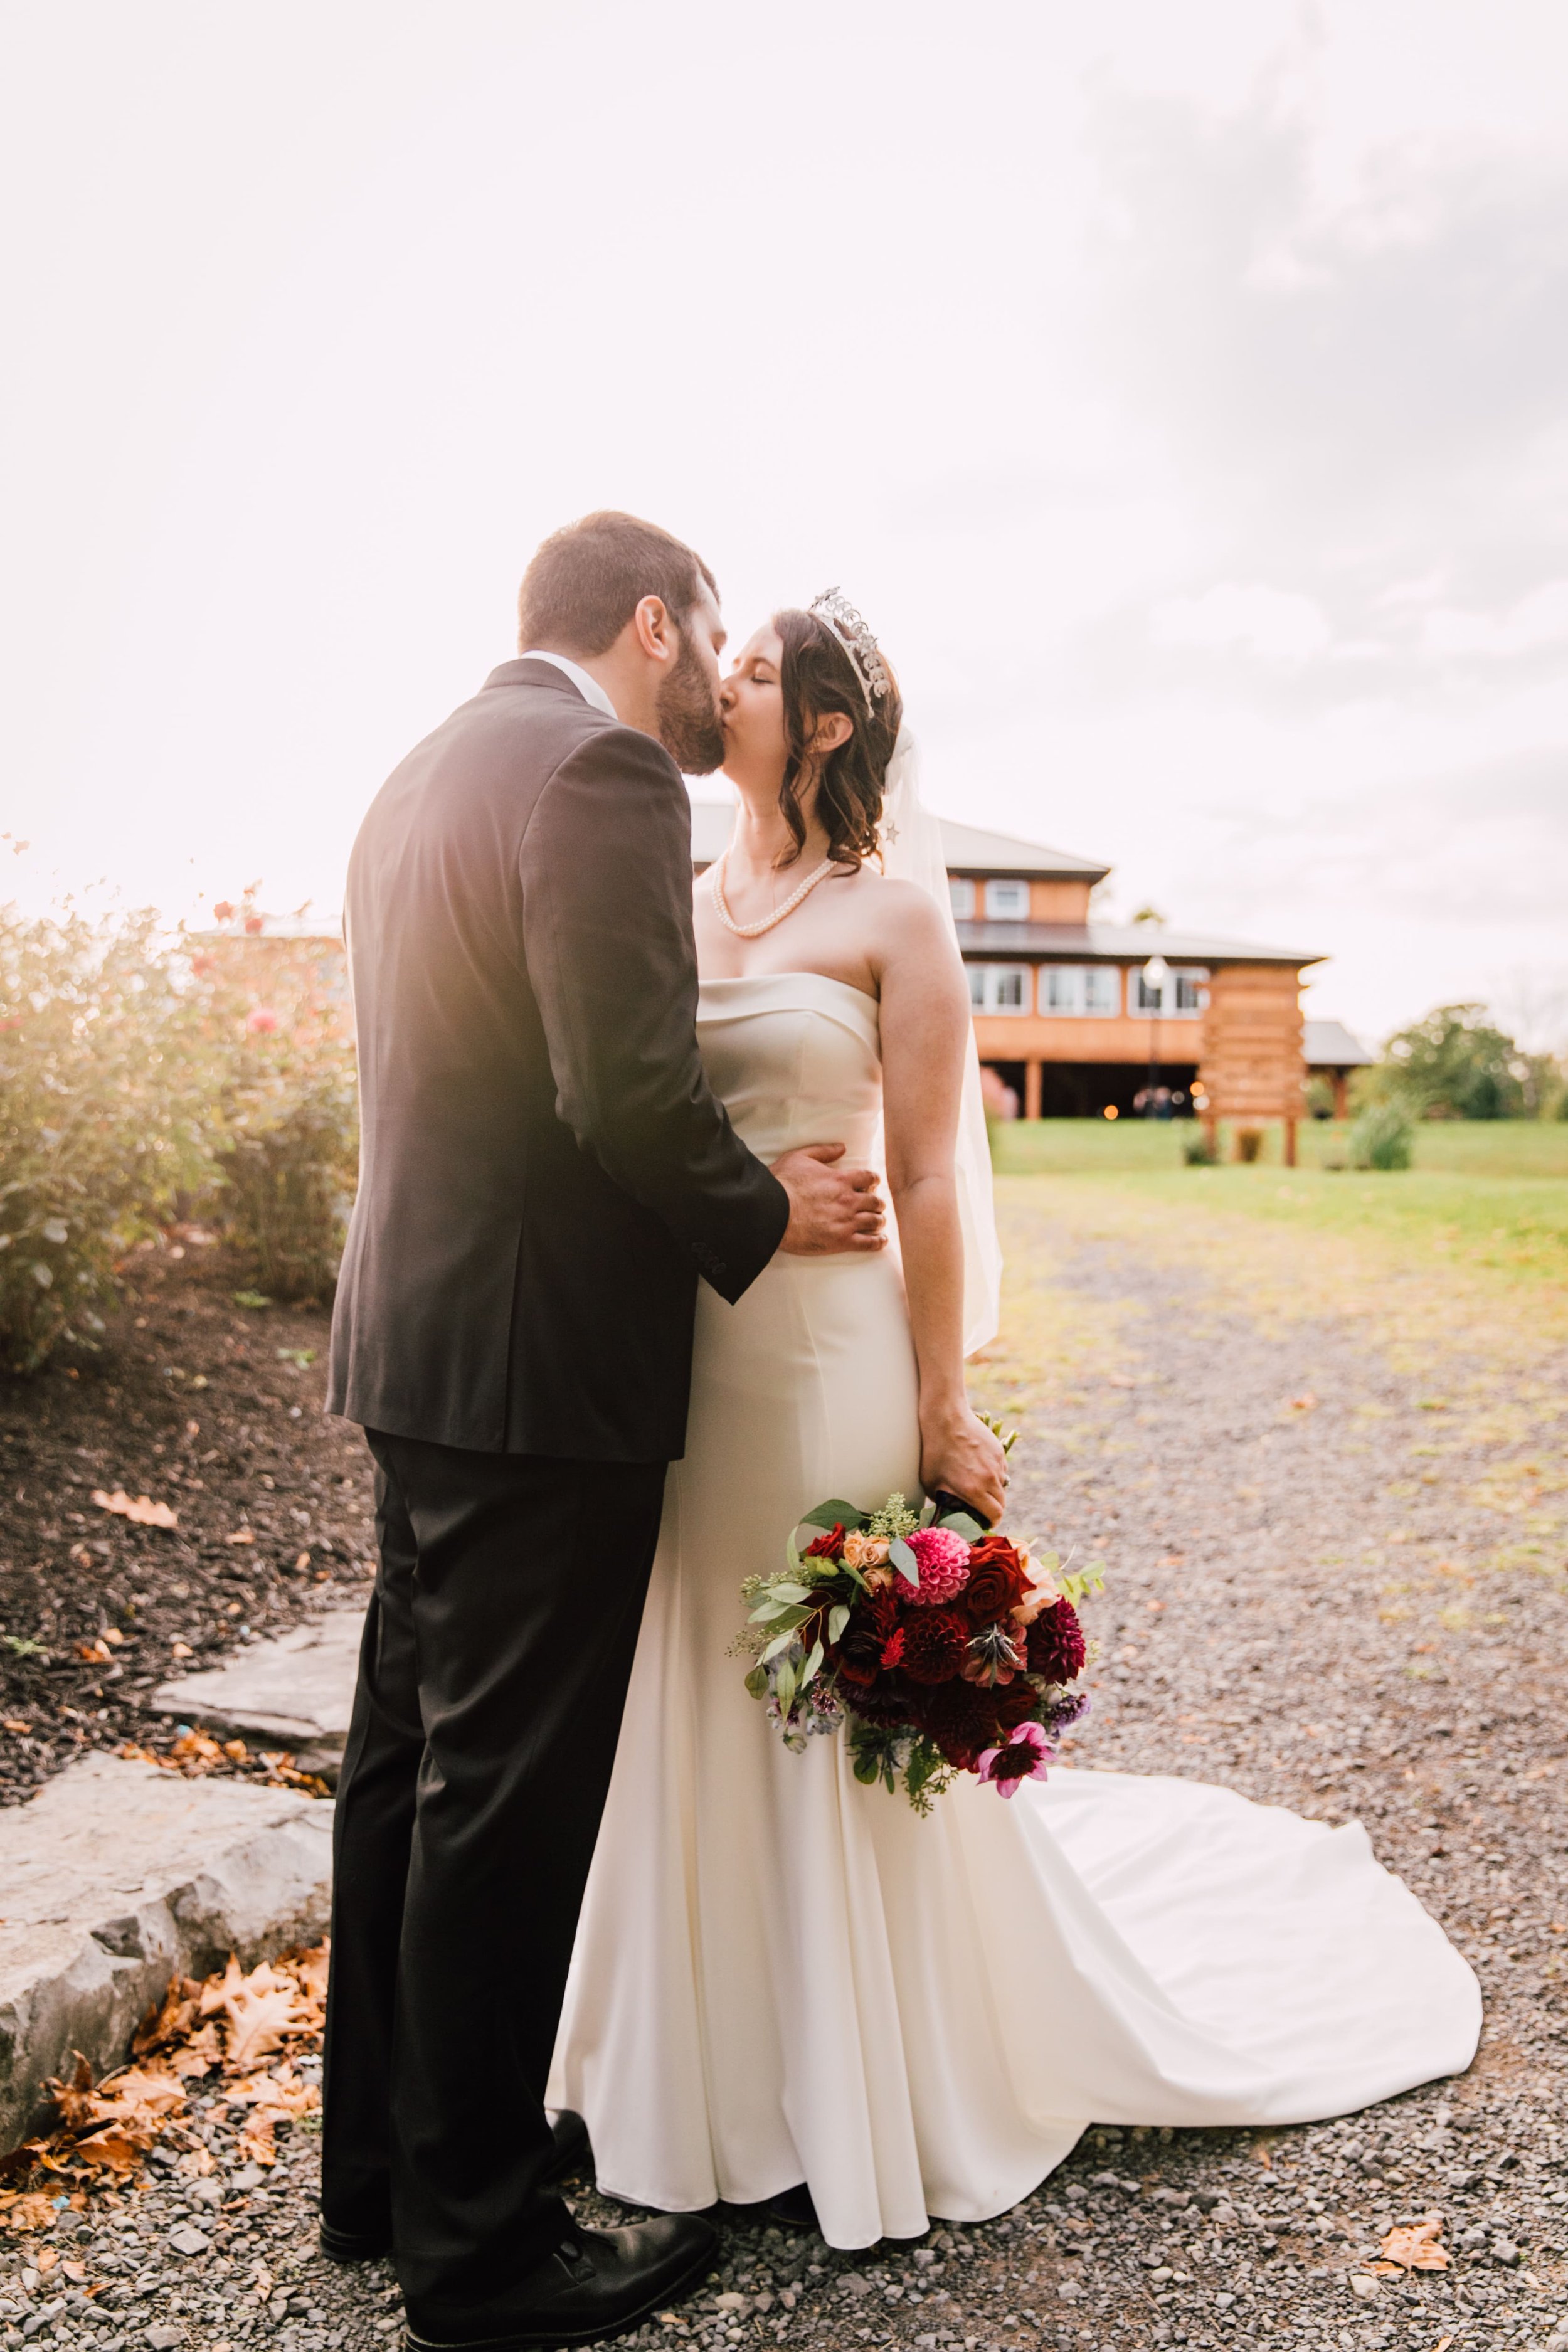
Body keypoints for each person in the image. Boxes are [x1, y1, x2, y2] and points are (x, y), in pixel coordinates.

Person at [547, 591, 1482, 2249]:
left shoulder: (897, 918)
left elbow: (919, 1174)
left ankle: (867, 2079)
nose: (721, 682)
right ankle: (688, 2073)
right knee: (688, 1670)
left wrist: (937, 1405)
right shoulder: (669, 892)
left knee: (822, 1694)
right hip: (691, 1342)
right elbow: (625, 1111)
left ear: (822, 727)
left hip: (827, 1354)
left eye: (755, 672)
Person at [322, 514, 887, 2351]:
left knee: (407, 1776)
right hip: (537, 1370)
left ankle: (393, 2174)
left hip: (411, 1351)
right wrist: (761, 1214)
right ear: (653, 622)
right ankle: (482, 2254)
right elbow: (622, 1090)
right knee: (502, 1801)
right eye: (701, 641)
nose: (703, 686)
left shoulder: (418, 774)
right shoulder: (597, 774)